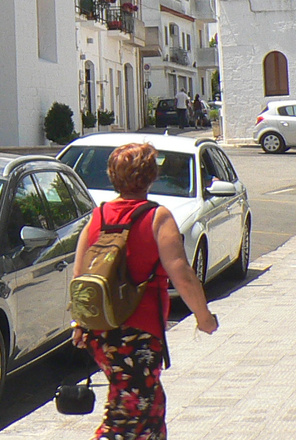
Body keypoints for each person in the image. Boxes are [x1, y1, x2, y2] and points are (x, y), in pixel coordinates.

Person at [71, 141, 218, 439]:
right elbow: (182, 273)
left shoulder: (98, 217)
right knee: (128, 415)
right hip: (137, 334)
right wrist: (204, 317)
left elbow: (79, 277)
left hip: (100, 333)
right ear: (151, 175)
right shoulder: (157, 217)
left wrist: (79, 324)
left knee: (149, 409)